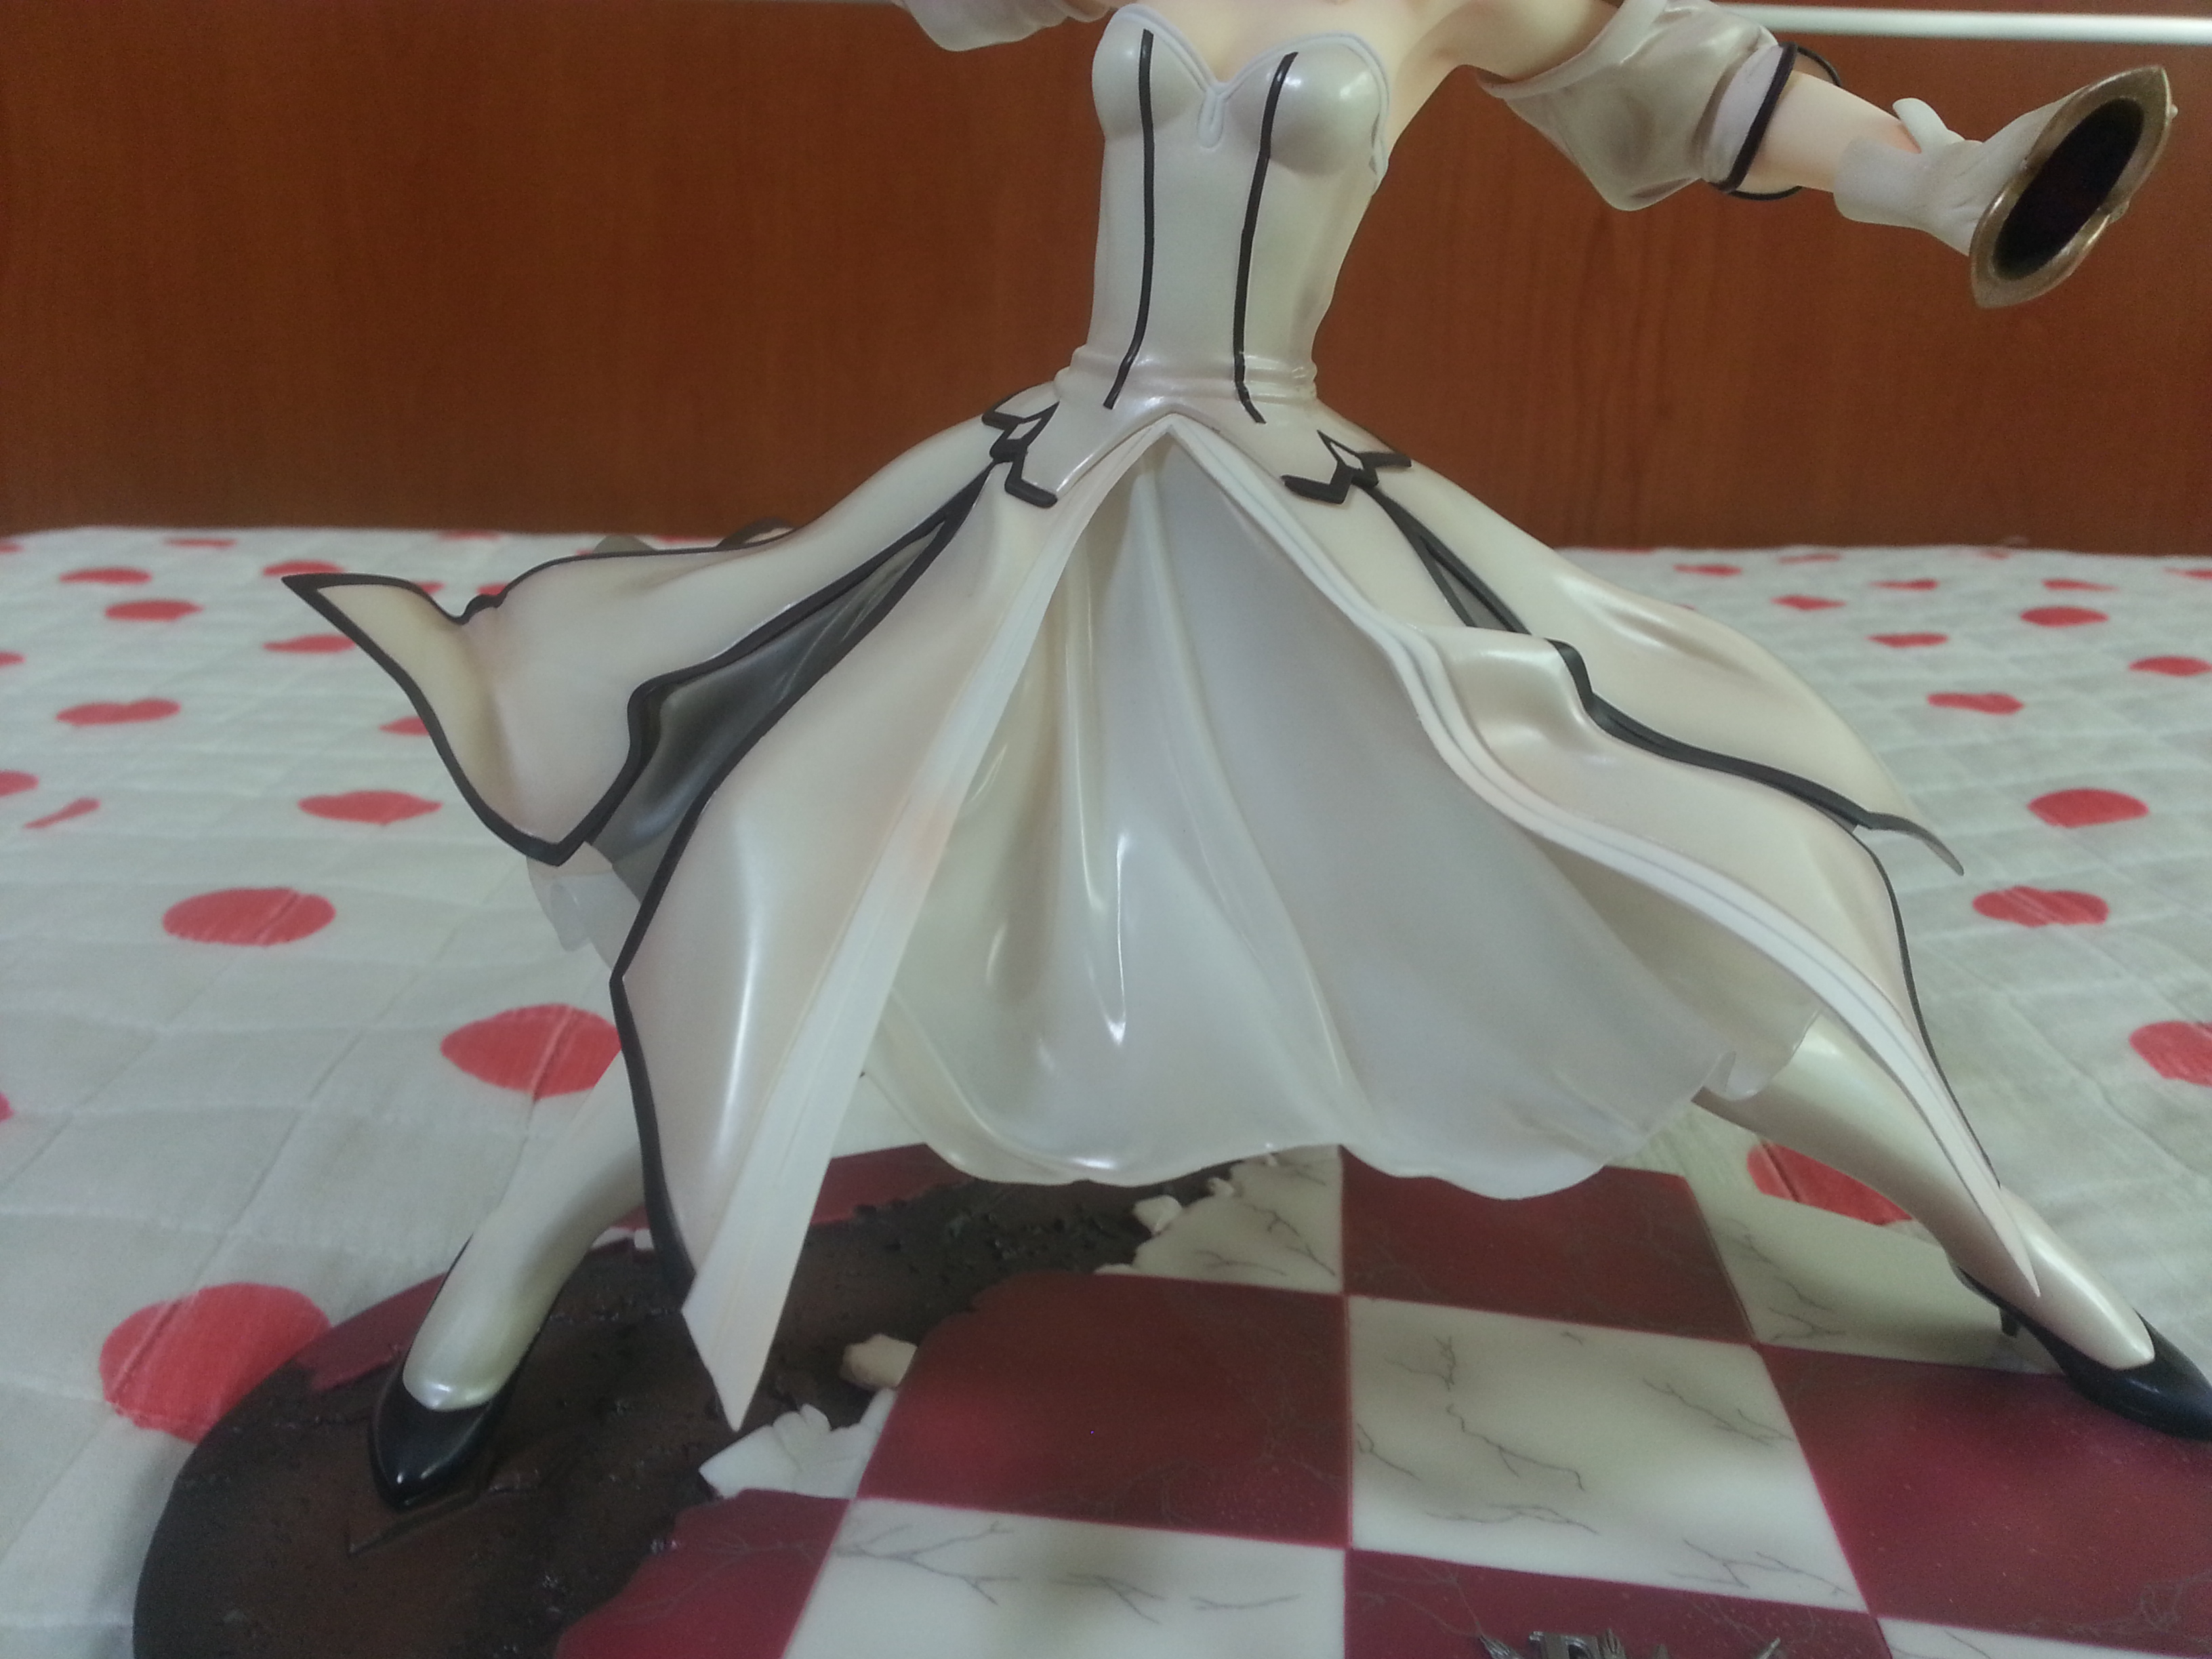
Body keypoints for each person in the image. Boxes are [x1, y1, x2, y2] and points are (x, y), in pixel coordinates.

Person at [287, 0, 2205, 1508]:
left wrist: (1945, 177)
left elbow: (1714, 89)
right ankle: (499, 1291)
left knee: (1602, 865)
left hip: (1275, 501)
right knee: (805, 870)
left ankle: (2010, 1243)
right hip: (1053, 486)